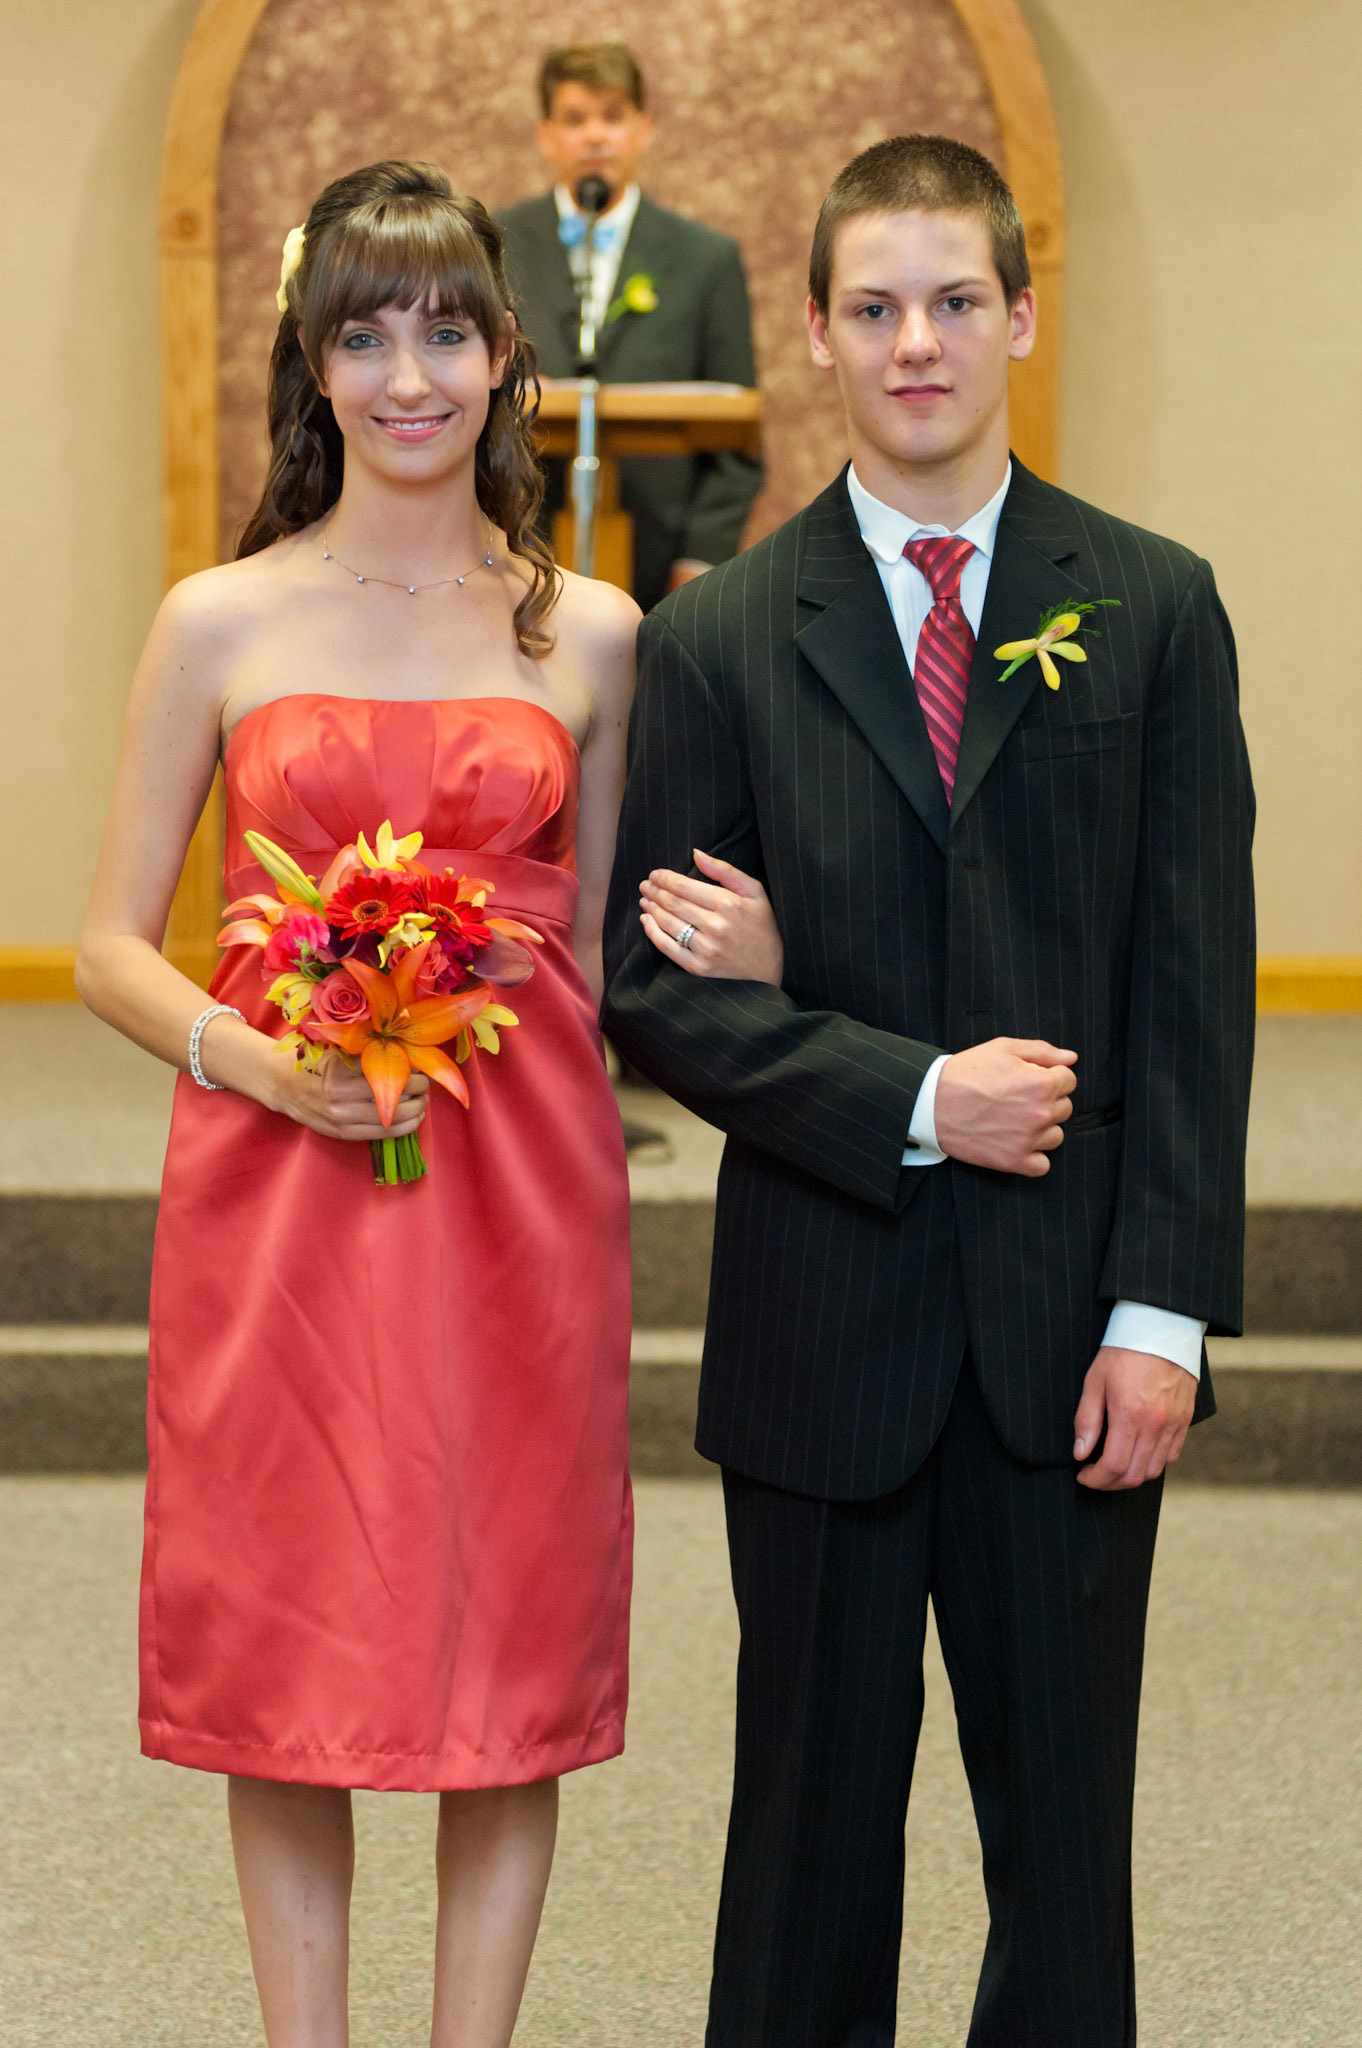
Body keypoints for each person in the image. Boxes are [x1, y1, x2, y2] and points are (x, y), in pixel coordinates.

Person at [604, 134, 1255, 2046]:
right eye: (874, 305)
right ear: (814, 332)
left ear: (1020, 316)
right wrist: (913, 1092)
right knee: (804, 1838)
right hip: (823, 1313)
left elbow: (1191, 986)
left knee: (1060, 1838)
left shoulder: (1152, 605)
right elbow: (651, 992)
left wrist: (1162, 1313)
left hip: (1072, 1325)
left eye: (954, 299)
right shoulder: (717, 638)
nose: (916, 342)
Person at [79, 158, 655, 2048]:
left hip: (519, 1186)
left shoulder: (590, 633)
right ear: (311, 366)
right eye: (365, 336)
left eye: (447, 333)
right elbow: (107, 947)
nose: (410, 378)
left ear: (504, 358)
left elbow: (607, 962)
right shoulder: (217, 616)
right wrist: (261, 1063)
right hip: (279, 1180)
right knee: (288, 1642)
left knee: (511, 1639)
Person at [496, 41, 762, 612]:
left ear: (644, 130)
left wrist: (698, 566)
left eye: (612, 117)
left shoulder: (705, 259)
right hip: (516, 559)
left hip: (662, 571)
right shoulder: (496, 246)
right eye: (575, 119)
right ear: (546, 136)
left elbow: (738, 439)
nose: (595, 136)